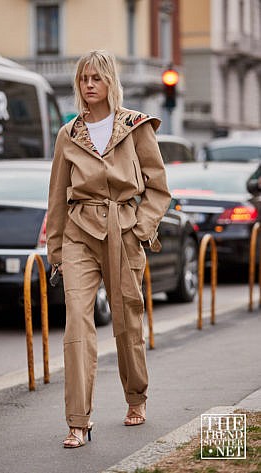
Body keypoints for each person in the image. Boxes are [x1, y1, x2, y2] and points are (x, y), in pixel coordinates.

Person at [46, 50, 171, 448]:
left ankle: (136, 397)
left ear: (110, 82)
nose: (89, 85)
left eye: (96, 78)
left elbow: (158, 188)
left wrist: (140, 227)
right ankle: (78, 422)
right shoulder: (69, 134)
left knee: (126, 321)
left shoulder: (135, 127)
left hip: (123, 231)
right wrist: (57, 251)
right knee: (77, 326)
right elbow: (56, 196)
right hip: (79, 233)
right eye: (83, 79)